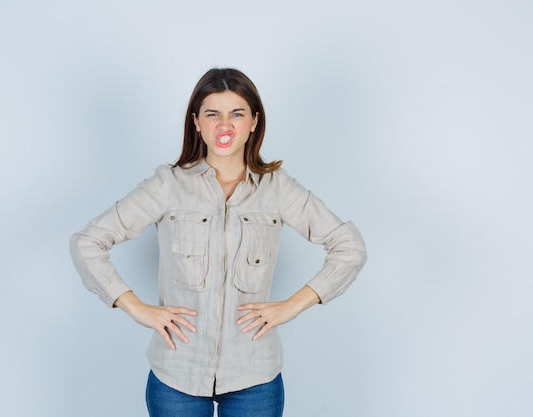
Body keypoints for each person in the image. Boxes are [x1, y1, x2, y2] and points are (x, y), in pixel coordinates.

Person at [70, 68, 367, 417]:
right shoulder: (168, 185)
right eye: (213, 114)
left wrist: (292, 305)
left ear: (254, 121)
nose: (224, 126)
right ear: (196, 122)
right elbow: (87, 242)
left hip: (255, 376)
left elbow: (349, 247)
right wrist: (137, 308)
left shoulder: (277, 188)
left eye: (237, 113)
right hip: (177, 373)